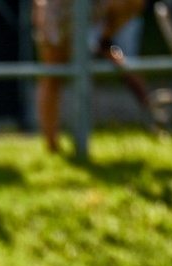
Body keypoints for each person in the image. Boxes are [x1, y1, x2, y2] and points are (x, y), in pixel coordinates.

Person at [32, 0, 145, 153]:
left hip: (90, 7)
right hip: (58, 8)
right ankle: (52, 147)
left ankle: (103, 42)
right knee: (53, 74)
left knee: (134, 2)